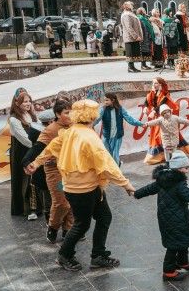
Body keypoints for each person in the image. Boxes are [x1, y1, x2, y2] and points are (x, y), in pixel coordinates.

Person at [25, 99, 135, 272]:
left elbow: (51, 147)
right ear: (93, 115)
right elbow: (107, 165)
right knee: (82, 224)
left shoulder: (71, 131)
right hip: (82, 189)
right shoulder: (89, 137)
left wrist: (37, 163)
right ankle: (64, 255)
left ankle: (98, 255)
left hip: (82, 187)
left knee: (104, 217)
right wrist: (126, 185)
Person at [134, 152, 189, 281]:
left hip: (168, 217)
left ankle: (182, 262)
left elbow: (149, 188)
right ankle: (168, 272)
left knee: (182, 239)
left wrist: (136, 193)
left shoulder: (163, 178)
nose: (188, 171)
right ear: (179, 169)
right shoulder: (179, 184)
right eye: (186, 168)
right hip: (176, 218)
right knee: (173, 245)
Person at [22, 100, 75, 242]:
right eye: (67, 113)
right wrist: (27, 161)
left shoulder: (76, 126)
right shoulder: (51, 129)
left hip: (72, 170)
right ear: (57, 114)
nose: (71, 115)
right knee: (61, 201)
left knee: (71, 199)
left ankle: (67, 229)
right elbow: (37, 147)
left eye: (72, 112)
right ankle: (53, 227)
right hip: (55, 171)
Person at [143, 77, 189, 164]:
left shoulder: (165, 94)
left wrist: (154, 111)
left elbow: (161, 104)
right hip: (157, 118)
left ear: (161, 85)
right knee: (156, 136)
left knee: (163, 135)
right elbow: (146, 101)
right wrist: (146, 107)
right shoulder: (151, 93)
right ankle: (160, 155)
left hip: (164, 117)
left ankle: (172, 154)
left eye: (156, 83)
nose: (154, 85)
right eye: (153, 83)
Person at [9, 88, 39, 218]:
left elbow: (40, 131)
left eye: (29, 101)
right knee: (24, 179)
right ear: (17, 103)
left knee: (36, 178)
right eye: (24, 101)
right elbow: (23, 139)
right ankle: (25, 209)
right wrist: (39, 147)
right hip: (21, 152)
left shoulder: (32, 115)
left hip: (34, 149)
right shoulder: (14, 119)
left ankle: (37, 207)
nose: (28, 104)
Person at [95, 93, 143, 166]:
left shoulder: (120, 109)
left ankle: (116, 172)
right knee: (107, 154)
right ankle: (114, 167)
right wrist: (88, 126)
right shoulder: (103, 110)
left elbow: (129, 119)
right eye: (104, 100)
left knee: (115, 154)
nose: (105, 102)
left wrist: (140, 124)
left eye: (107, 100)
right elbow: (97, 120)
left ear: (113, 100)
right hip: (106, 136)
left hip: (117, 136)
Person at [121, 1, 143, 73]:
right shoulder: (126, 15)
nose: (133, 6)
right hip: (129, 37)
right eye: (131, 5)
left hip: (133, 38)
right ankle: (130, 67)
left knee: (133, 52)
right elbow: (129, 27)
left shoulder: (131, 14)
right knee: (130, 53)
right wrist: (135, 36)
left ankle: (133, 67)